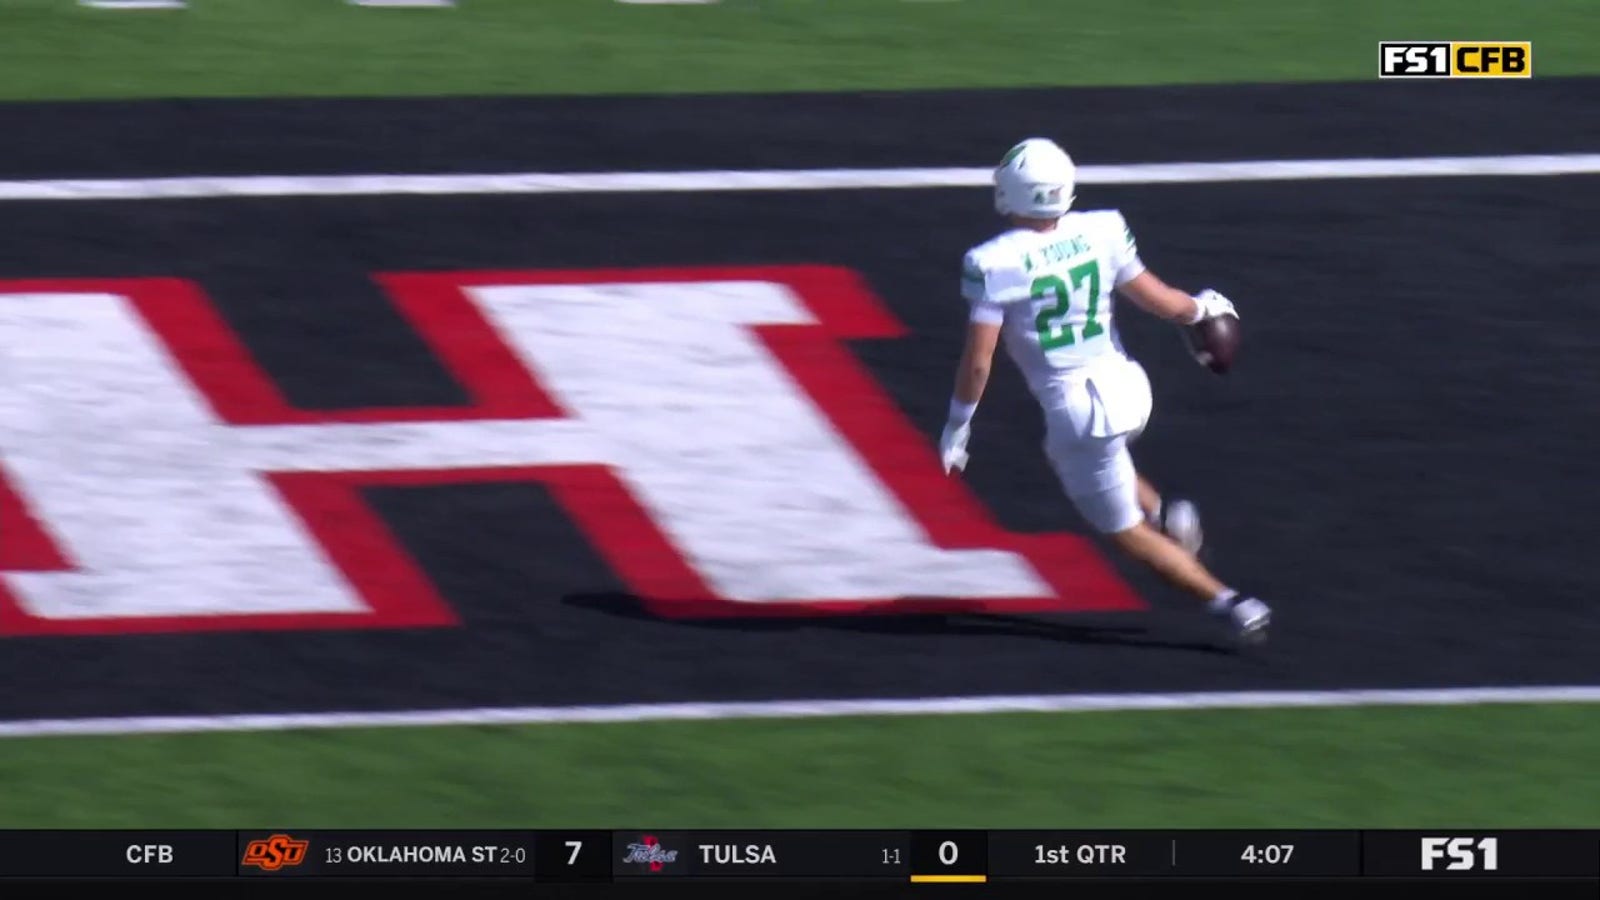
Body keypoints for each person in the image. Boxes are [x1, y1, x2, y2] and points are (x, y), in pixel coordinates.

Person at [941, 137, 1270, 643]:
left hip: (1080, 410)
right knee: (1102, 457)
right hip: (1129, 388)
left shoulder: (994, 262)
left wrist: (958, 426)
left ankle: (1230, 602)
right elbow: (1161, 301)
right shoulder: (1103, 229)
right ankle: (1165, 512)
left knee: (1123, 530)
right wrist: (1203, 309)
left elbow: (979, 362)